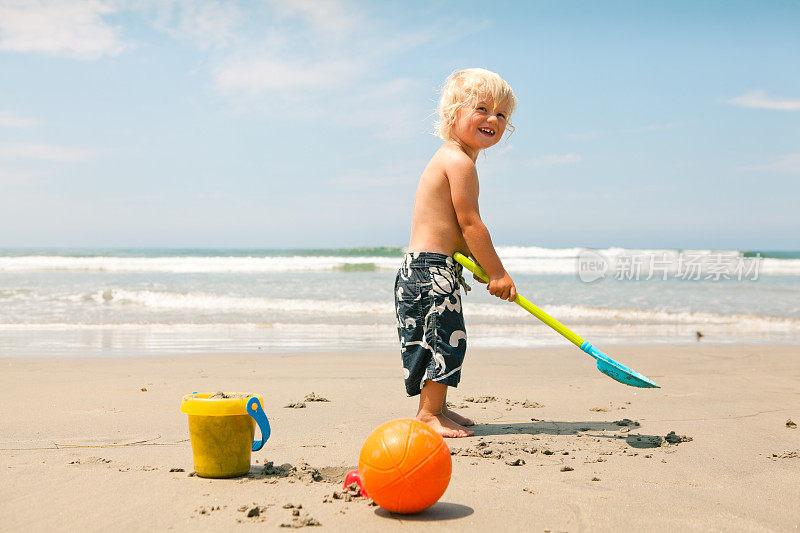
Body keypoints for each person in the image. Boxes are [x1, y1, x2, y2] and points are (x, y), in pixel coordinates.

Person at [394, 68, 518, 438]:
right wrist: (498, 273)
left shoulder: (451, 158)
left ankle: (440, 407)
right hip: (431, 271)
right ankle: (428, 414)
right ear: (452, 114)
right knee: (439, 340)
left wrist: (477, 264)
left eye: (501, 114)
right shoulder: (459, 163)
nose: (493, 119)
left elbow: (455, 231)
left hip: (428, 269)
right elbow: (470, 224)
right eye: (482, 109)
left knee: (444, 336)